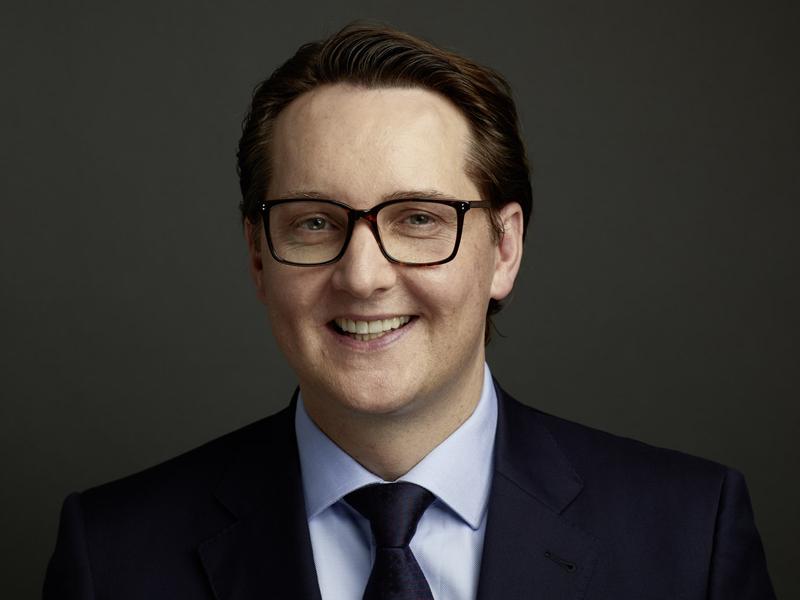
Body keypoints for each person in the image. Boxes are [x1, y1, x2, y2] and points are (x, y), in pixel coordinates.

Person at [43, 23, 775, 600]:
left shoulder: (691, 537)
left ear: (505, 249)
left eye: (419, 219)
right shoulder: (110, 556)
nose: (363, 277)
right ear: (259, 258)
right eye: (314, 222)